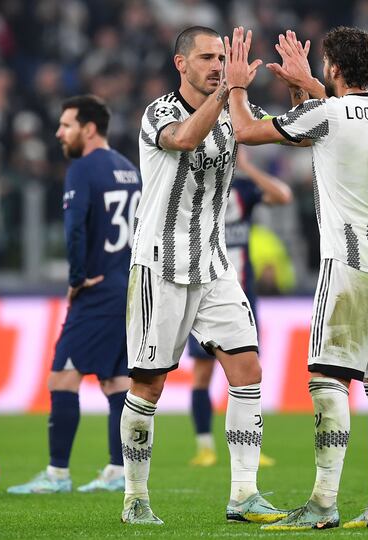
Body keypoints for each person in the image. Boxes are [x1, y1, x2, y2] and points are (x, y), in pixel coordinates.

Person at [226, 26, 368, 530]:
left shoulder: (327, 111)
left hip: (350, 267)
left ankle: (325, 501)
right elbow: (332, 125)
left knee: (328, 381)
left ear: (333, 68)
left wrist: (239, 86)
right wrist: (306, 87)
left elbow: (247, 131)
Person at [119, 26, 291, 525]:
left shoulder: (232, 110)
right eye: (208, 57)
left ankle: (243, 494)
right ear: (182, 64)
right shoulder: (160, 112)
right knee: (148, 386)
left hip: (214, 264)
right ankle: (135, 497)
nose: (218, 64)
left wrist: (304, 94)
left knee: (248, 371)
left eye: (224, 57)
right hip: (161, 265)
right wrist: (227, 90)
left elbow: (278, 132)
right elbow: (186, 138)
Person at [7, 95, 141, 494]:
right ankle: (119, 471)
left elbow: (75, 229)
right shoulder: (129, 169)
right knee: (117, 381)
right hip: (128, 288)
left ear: (89, 128)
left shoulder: (82, 169)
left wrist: (77, 277)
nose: (58, 133)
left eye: (66, 125)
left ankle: (57, 474)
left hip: (97, 290)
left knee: (63, 377)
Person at [187, 150, 292, 468]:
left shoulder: (244, 190)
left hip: (243, 296)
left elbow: (283, 195)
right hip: (205, 295)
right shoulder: (197, 188)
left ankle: (250, 446)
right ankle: (205, 447)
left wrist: (246, 167)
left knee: (247, 372)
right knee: (202, 374)